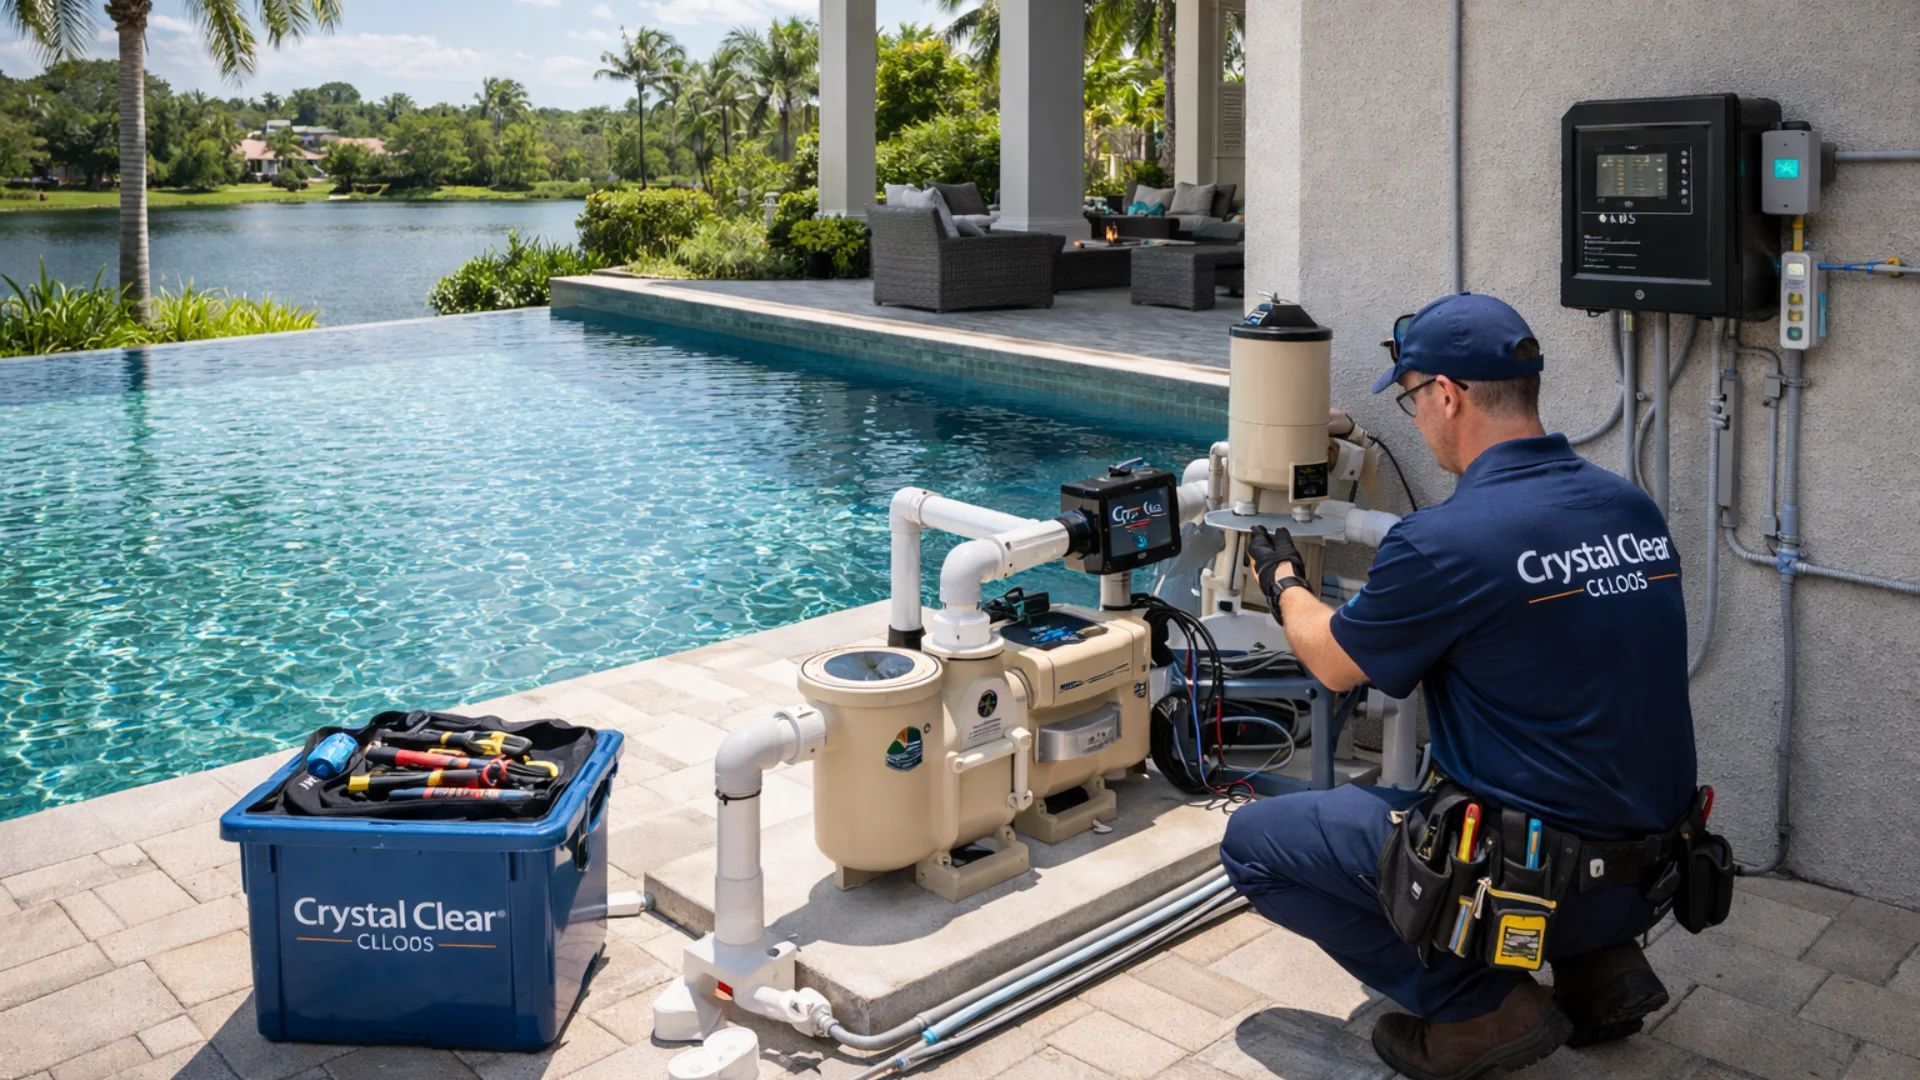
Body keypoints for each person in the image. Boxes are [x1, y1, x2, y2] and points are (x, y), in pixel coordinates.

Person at [1218, 293, 1698, 1080]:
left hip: (1540, 877)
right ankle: (1598, 969)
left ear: (1447, 394)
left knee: (1253, 847)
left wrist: (1282, 580)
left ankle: (1481, 1007)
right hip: (1652, 873)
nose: (1416, 420)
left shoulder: (1445, 542)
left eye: (1411, 400)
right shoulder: (1629, 505)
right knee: (1566, 772)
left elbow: (1332, 661)